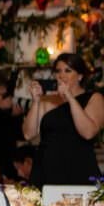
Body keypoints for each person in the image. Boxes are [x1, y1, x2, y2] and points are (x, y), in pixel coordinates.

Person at [24, 53, 104, 186]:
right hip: (46, 170)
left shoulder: (94, 98)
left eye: (68, 70)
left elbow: (88, 132)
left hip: (77, 169)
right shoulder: (48, 101)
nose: (61, 75)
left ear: (80, 75)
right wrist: (36, 102)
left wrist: (70, 98)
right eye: (58, 71)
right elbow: (29, 134)